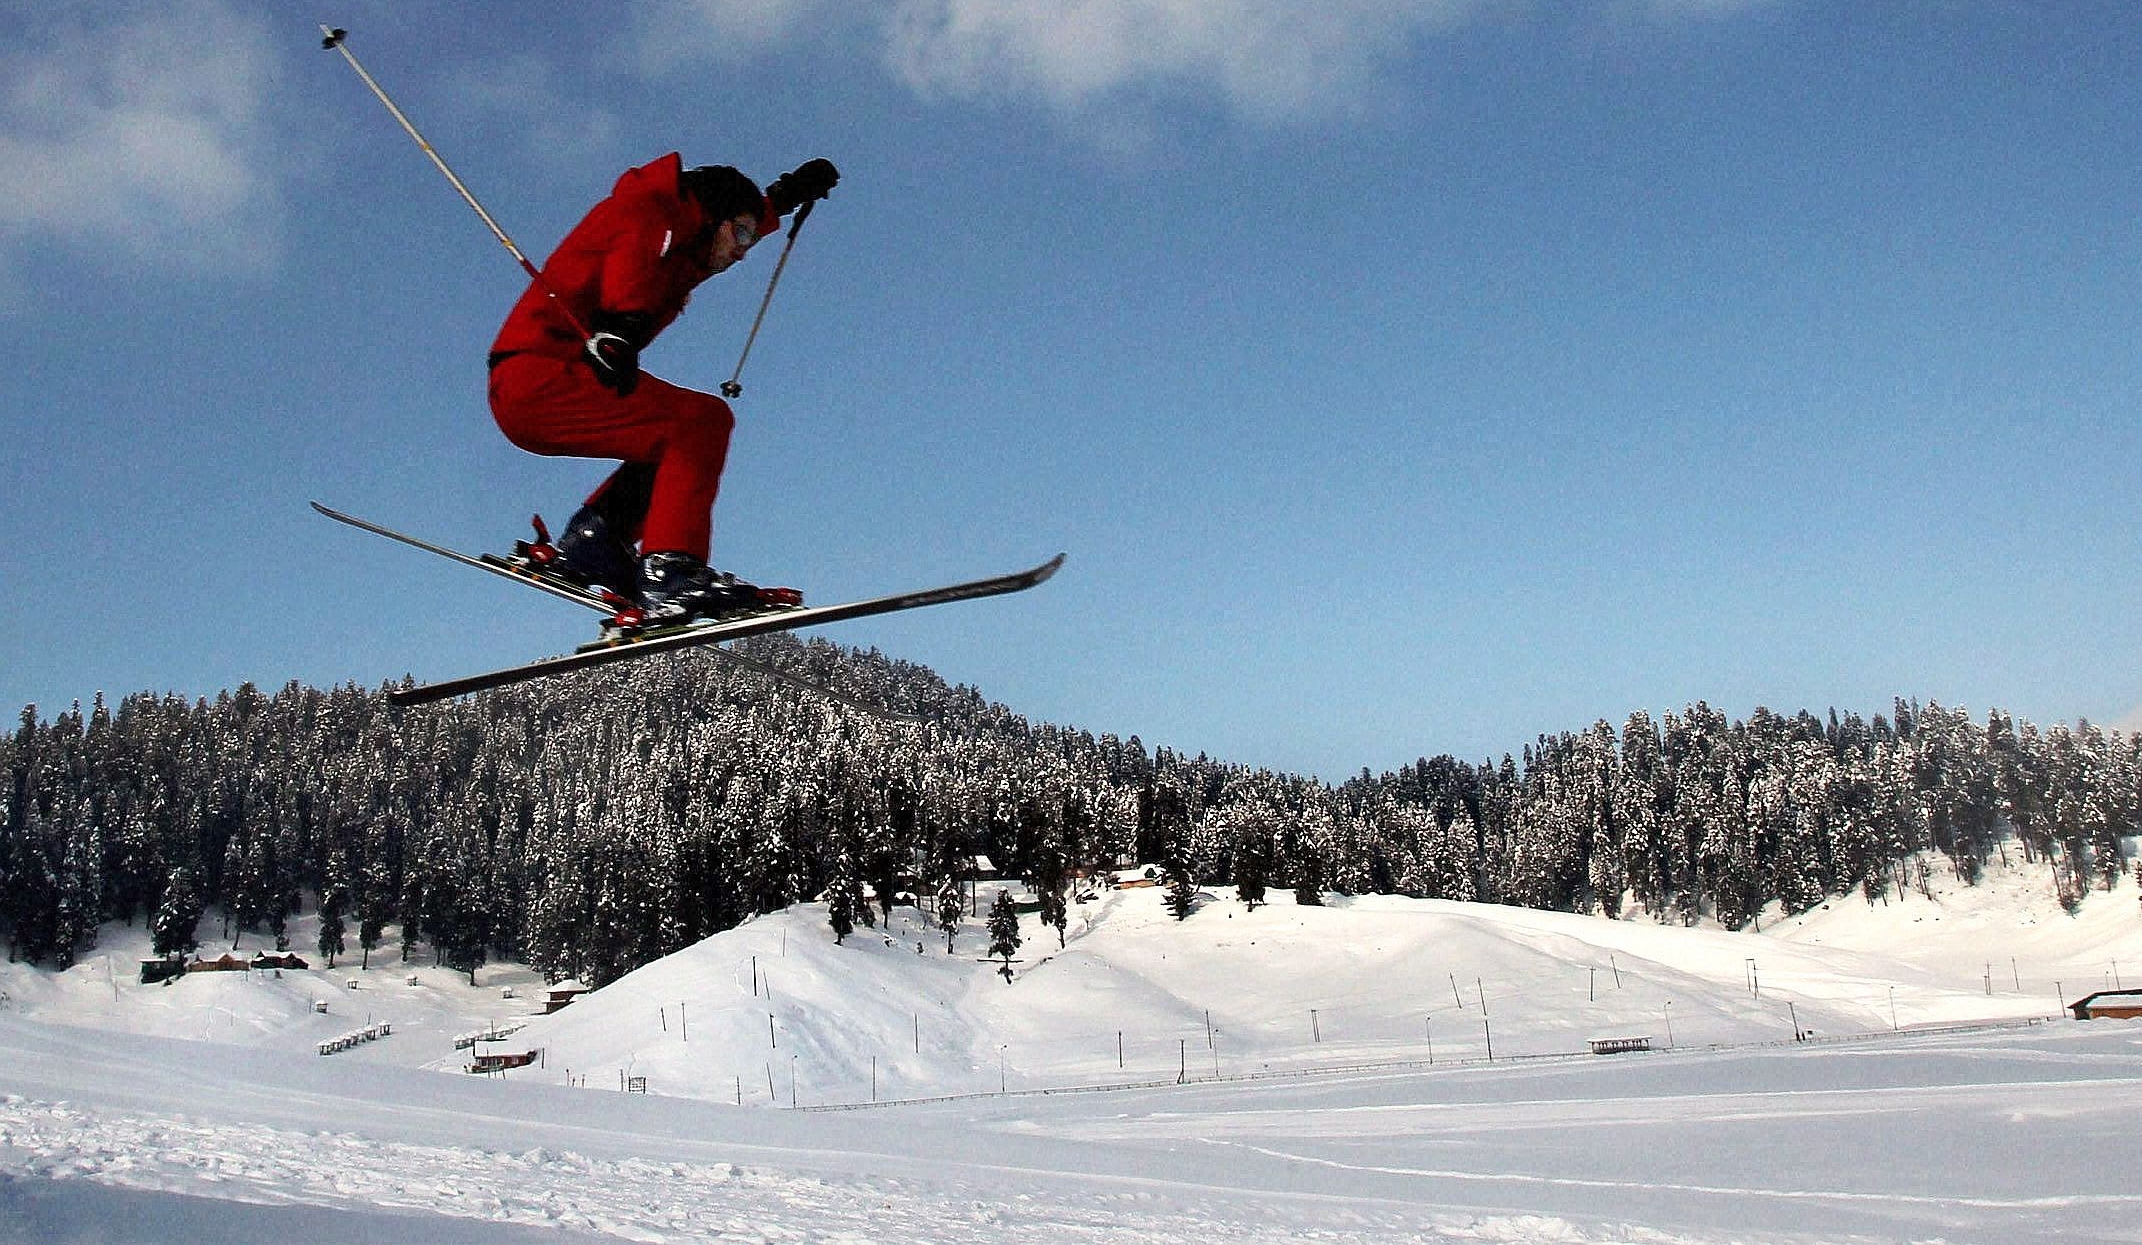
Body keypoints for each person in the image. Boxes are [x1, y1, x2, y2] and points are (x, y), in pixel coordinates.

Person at [486, 153, 839, 625]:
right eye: (740, 235)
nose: (742, 251)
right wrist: (621, 328)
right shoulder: (651, 211)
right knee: (700, 422)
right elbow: (631, 257)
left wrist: (787, 196)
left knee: (675, 439)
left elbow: (736, 218)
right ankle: (672, 572)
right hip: (544, 375)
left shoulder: (686, 246)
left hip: (535, 383)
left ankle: (597, 543)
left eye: (751, 240)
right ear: (711, 218)